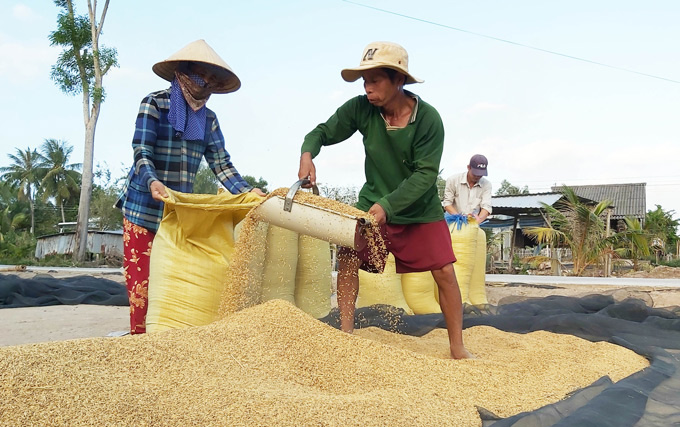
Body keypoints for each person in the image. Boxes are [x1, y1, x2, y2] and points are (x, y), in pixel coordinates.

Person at [297, 41, 473, 359]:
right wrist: (308, 153)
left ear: (398, 81)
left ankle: (457, 347)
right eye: (364, 81)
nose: (367, 87)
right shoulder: (362, 109)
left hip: (418, 209)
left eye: (374, 80)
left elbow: (424, 176)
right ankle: (346, 335)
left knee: (445, 271)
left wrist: (387, 208)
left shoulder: (429, 120)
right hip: (373, 202)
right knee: (349, 258)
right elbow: (323, 131)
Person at [116, 40, 265, 334]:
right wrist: (152, 181)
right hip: (143, 211)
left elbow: (221, 164)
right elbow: (141, 151)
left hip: (178, 214)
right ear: (182, 73)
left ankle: (174, 350)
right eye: (200, 77)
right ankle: (140, 349)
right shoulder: (154, 104)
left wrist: (248, 192)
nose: (205, 85)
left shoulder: (208, 120)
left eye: (212, 81)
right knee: (143, 291)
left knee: (175, 292)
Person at [443, 154, 492, 224]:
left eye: (480, 175)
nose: (477, 176)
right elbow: (447, 204)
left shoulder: (486, 185)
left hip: (472, 223)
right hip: (451, 222)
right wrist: (460, 219)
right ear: (468, 167)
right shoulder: (453, 180)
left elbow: (486, 207)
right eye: (475, 174)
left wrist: (478, 220)